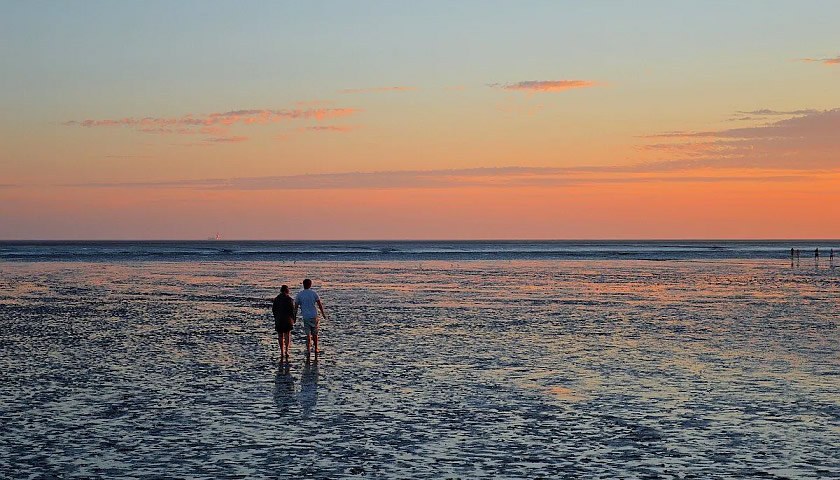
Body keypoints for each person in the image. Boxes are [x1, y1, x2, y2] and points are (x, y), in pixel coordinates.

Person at [295, 278, 327, 356]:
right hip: (314, 315)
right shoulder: (314, 293)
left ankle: (308, 349)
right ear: (310, 285)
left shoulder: (300, 294)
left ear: (303, 285)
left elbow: (295, 307)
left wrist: (294, 316)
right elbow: (319, 304)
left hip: (306, 316)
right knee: (315, 333)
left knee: (308, 334)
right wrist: (323, 314)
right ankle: (316, 348)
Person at [272, 285, 295, 359]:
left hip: (279, 319)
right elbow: (292, 310)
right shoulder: (289, 299)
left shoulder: (276, 299)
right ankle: (286, 350)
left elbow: (273, 310)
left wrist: (276, 317)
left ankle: (281, 351)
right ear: (286, 290)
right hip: (287, 319)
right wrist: (293, 319)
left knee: (280, 335)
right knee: (287, 335)